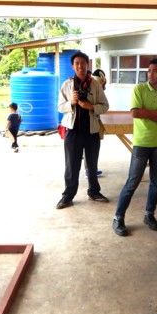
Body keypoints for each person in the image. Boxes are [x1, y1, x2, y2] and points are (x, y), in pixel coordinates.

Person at [112, 58, 157, 236]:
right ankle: (118, 218)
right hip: (141, 143)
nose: (150, 74)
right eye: (149, 70)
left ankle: (149, 215)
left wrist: (146, 113)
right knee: (132, 182)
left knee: (156, 182)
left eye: (155, 71)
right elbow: (135, 113)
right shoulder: (139, 89)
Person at [56, 51, 109, 209]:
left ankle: (94, 192)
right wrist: (71, 103)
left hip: (92, 131)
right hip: (73, 132)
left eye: (83, 63)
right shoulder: (67, 85)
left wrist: (91, 106)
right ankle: (67, 196)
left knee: (92, 165)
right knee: (71, 166)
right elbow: (60, 107)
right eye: (77, 63)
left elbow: (105, 106)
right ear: (73, 66)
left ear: (88, 65)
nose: (80, 66)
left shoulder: (95, 84)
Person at [83, 69, 107, 178]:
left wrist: (102, 87)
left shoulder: (95, 86)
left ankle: (92, 169)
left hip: (94, 121)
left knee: (94, 148)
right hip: (85, 122)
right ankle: (89, 170)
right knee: (88, 148)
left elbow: (101, 102)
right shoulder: (82, 87)